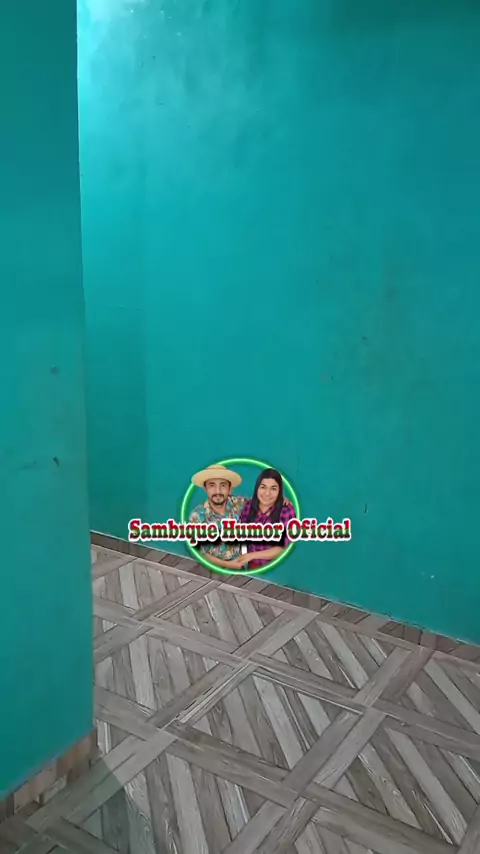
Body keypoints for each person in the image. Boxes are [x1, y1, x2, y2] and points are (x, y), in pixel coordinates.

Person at [188, 463, 292, 570]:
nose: (217, 491)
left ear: (230, 489)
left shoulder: (239, 503)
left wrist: (279, 499)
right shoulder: (197, 516)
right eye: (212, 485)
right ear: (205, 488)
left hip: (242, 568)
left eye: (223, 485)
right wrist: (228, 565)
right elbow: (199, 552)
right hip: (211, 570)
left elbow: (263, 500)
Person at [235, 468, 296, 570]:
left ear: (279, 491)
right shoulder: (249, 506)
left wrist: (252, 555)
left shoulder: (287, 511)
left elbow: (283, 549)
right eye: (263, 487)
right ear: (257, 488)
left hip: (277, 569)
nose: (267, 493)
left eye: (273, 489)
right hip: (251, 567)